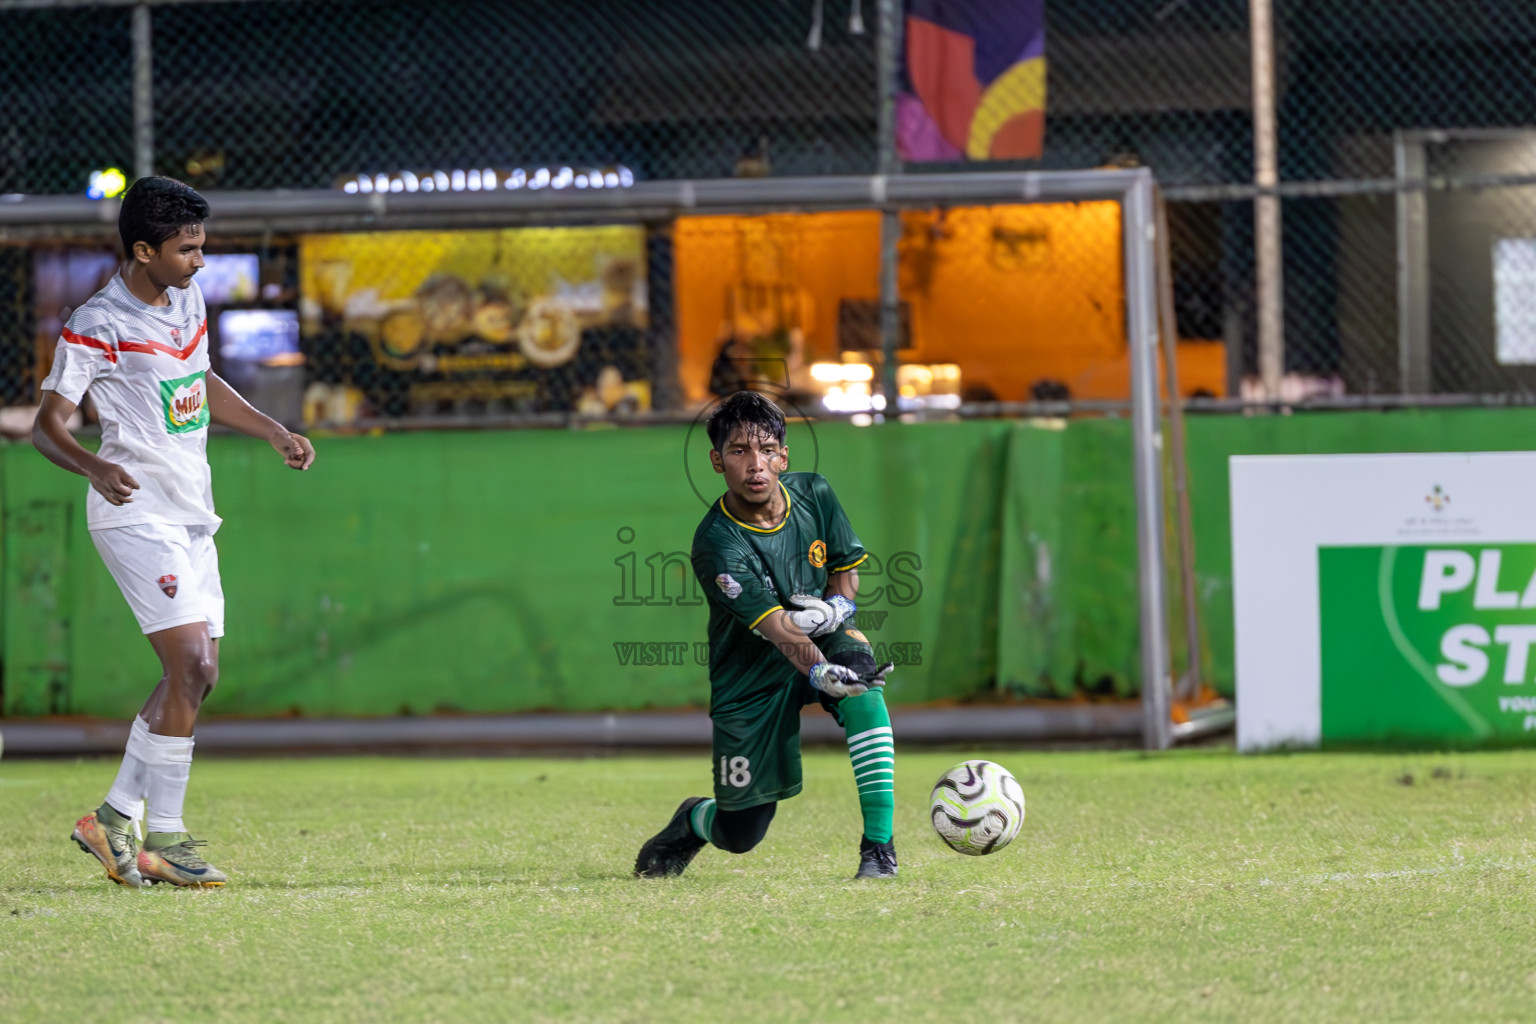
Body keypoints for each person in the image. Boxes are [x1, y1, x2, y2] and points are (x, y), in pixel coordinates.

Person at [31, 176, 316, 888]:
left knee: (198, 675)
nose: (199, 261)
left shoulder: (186, 298)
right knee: (190, 665)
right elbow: (46, 427)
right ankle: (167, 840)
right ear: (143, 249)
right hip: (133, 509)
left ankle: (113, 817)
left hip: (192, 508)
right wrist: (94, 467)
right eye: (188, 249)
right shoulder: (96, 321)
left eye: (202, 246)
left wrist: (273, 429)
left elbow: (202, 377)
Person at [634, 390, 898, 880]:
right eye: (738, 451)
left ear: (783, 456)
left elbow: (845, 569)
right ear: (717, 461)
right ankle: (693, 818)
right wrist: (820, 670)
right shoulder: (716, 542)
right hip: (750, 679)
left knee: (863, 675)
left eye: (766, 450)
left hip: (820, 642)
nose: (755, 465)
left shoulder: (815, 494)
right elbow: (776, 628)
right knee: (742, 832)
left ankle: (879, 849)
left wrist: (840, 607)